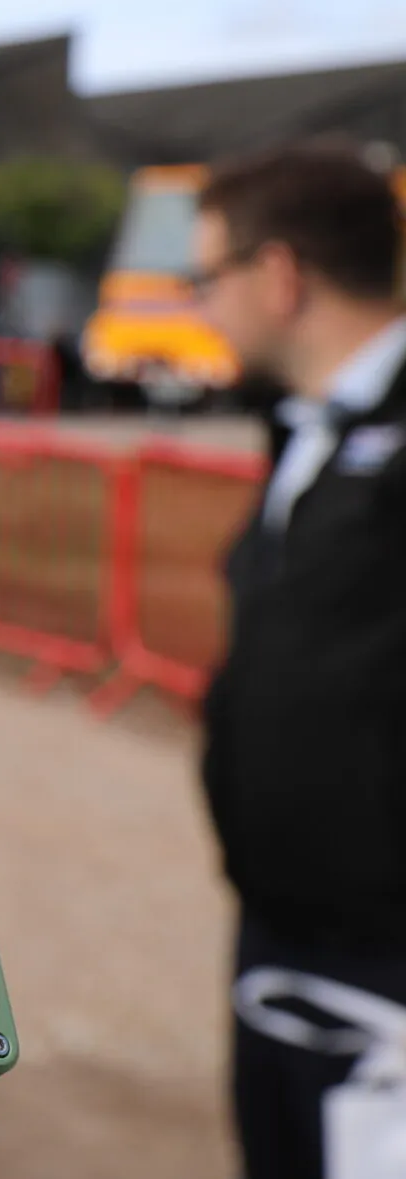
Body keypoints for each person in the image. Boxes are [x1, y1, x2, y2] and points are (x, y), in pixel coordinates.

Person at [190, 145, 406, 1179]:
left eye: (206, 277)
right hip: (282, 931)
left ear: (277, 275)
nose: (200, 307)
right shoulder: (306, 427)